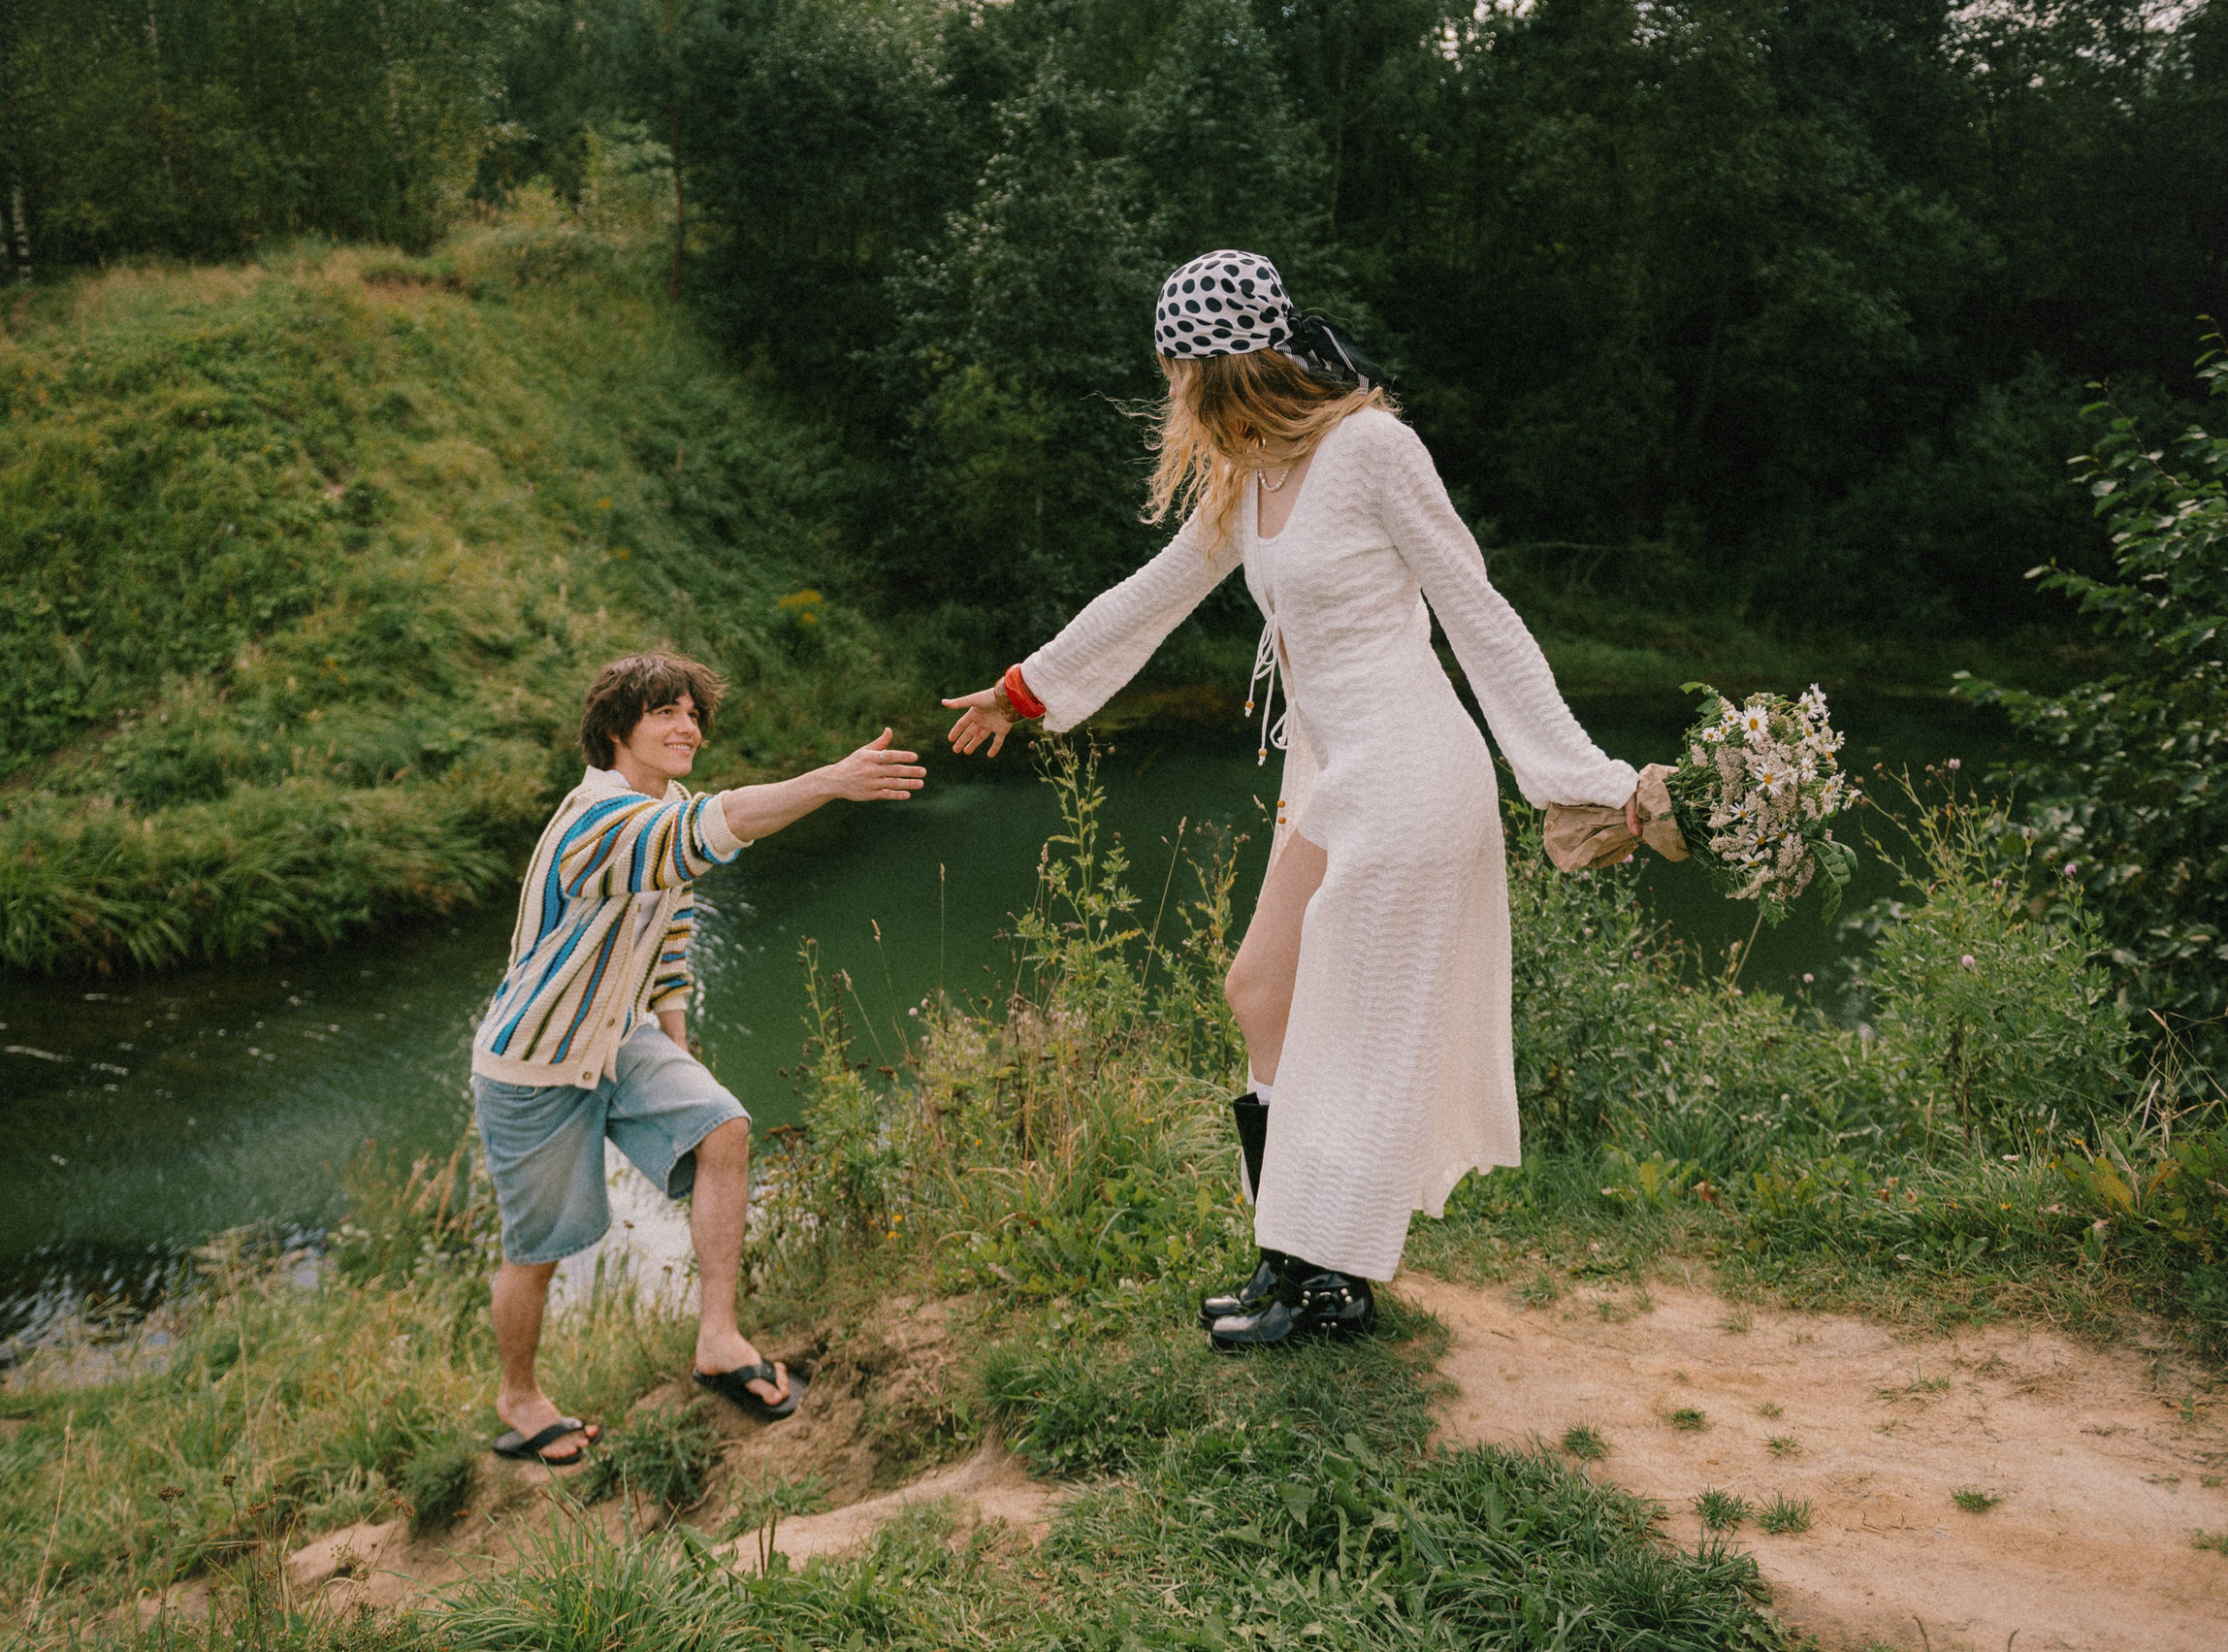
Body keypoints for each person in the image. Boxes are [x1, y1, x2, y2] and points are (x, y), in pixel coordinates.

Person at [943, 251, 1640, 1351]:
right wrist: (1025, 689)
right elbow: (1155, 593)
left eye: (1179, 370)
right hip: (1341, 770)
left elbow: (1478, 609)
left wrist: (1576, 775)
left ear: (1225, 365)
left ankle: (1329, 1282)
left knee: (1349, 1031)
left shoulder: (1370, 449)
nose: (1172, 393)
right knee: (1262, 989)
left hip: (1413, 769)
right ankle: (1286, 1255)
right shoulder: (1250, 472)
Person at [473, 652, 925, 1461]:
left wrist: (679, 1063)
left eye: (694, 715)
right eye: (666, 714)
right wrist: (828, 780)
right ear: (617, 731)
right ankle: (520, 1394)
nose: (689, 727)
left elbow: (670, 941)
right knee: (536, 1252)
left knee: (723, 1128)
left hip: (618, 1039)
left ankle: (718, 1337)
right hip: (535, 1063)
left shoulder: (665, 803)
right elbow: (706, 830)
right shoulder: (596, 822)